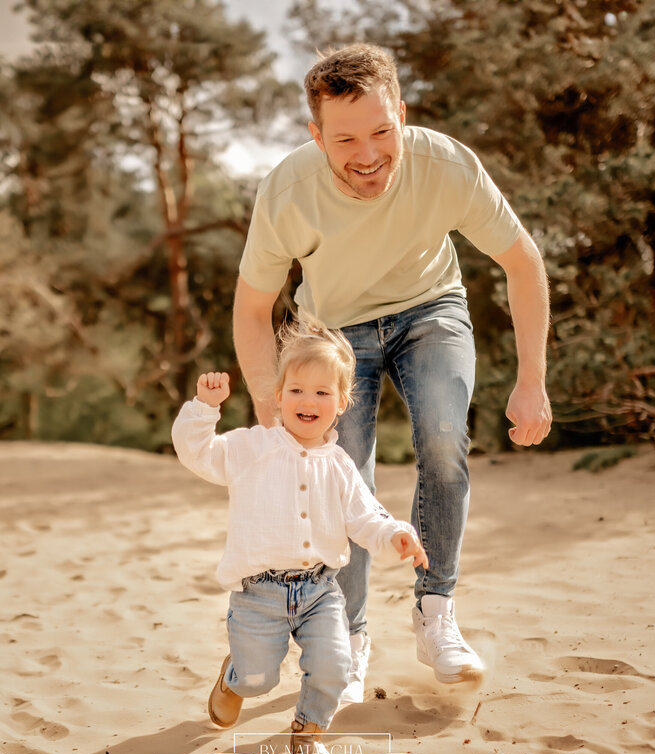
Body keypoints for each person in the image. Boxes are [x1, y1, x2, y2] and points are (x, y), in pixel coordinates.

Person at [232, 43, 552, 700]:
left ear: (402, 115)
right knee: (343, 473)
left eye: (382, 131)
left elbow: (523, 263)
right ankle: (347, 639)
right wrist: (268, 404)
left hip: (430, 308)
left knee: (443, 437)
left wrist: (532, 382)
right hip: (333, 330)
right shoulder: (288, 192)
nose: (368, 154)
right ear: (316, 135)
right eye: (345, 139)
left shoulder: (446, 165)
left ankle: (436, 614)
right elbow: (253, 308)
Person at [171, 323, 428, 754]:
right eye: (297, 390)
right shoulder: (253, 448)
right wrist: (204, 408)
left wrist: (395, 535)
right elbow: (200, 454)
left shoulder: (341, 466)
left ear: (342, 403)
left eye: (322, 393)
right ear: (278, 395)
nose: (308, 401)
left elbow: (366, 518)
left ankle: (308, 732)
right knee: (258, 678)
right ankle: (235, 678)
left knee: (336, 664)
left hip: (320, 591)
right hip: (259, 594)